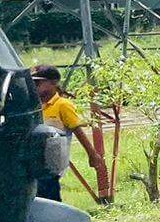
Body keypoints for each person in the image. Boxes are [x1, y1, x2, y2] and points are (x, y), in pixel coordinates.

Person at [31, 64, 105, 204]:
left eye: (38, 82)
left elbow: (77, 130)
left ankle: (55, 220)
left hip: (52, 162)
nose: (35, 86)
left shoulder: (62, 105)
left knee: (49, 196)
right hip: (36, 160)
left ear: (53, 83)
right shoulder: (34, 107)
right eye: (33, 83)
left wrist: (92, 154)